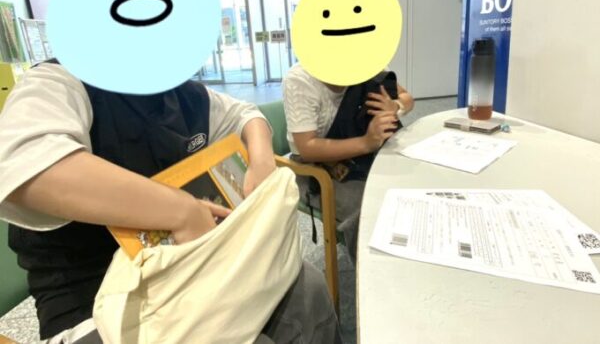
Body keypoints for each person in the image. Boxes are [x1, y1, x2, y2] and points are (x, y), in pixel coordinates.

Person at [0, 61, 343, 344]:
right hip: (93, 298)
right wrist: (182, 212)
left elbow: (245, 115)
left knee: (307, 287)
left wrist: (262, 157)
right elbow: (23, 165)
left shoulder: (184, 94)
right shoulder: (58, 83)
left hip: (181, 271)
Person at [282, 63, 414, 262]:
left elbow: (406, 97)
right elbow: (307, 148)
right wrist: (366, 143)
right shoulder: (300, 80)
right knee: (369, 208)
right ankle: (373, 267)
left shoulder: (366, 63)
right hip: (315, 167)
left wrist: (396, 106)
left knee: (406, 186)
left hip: (363, 153)